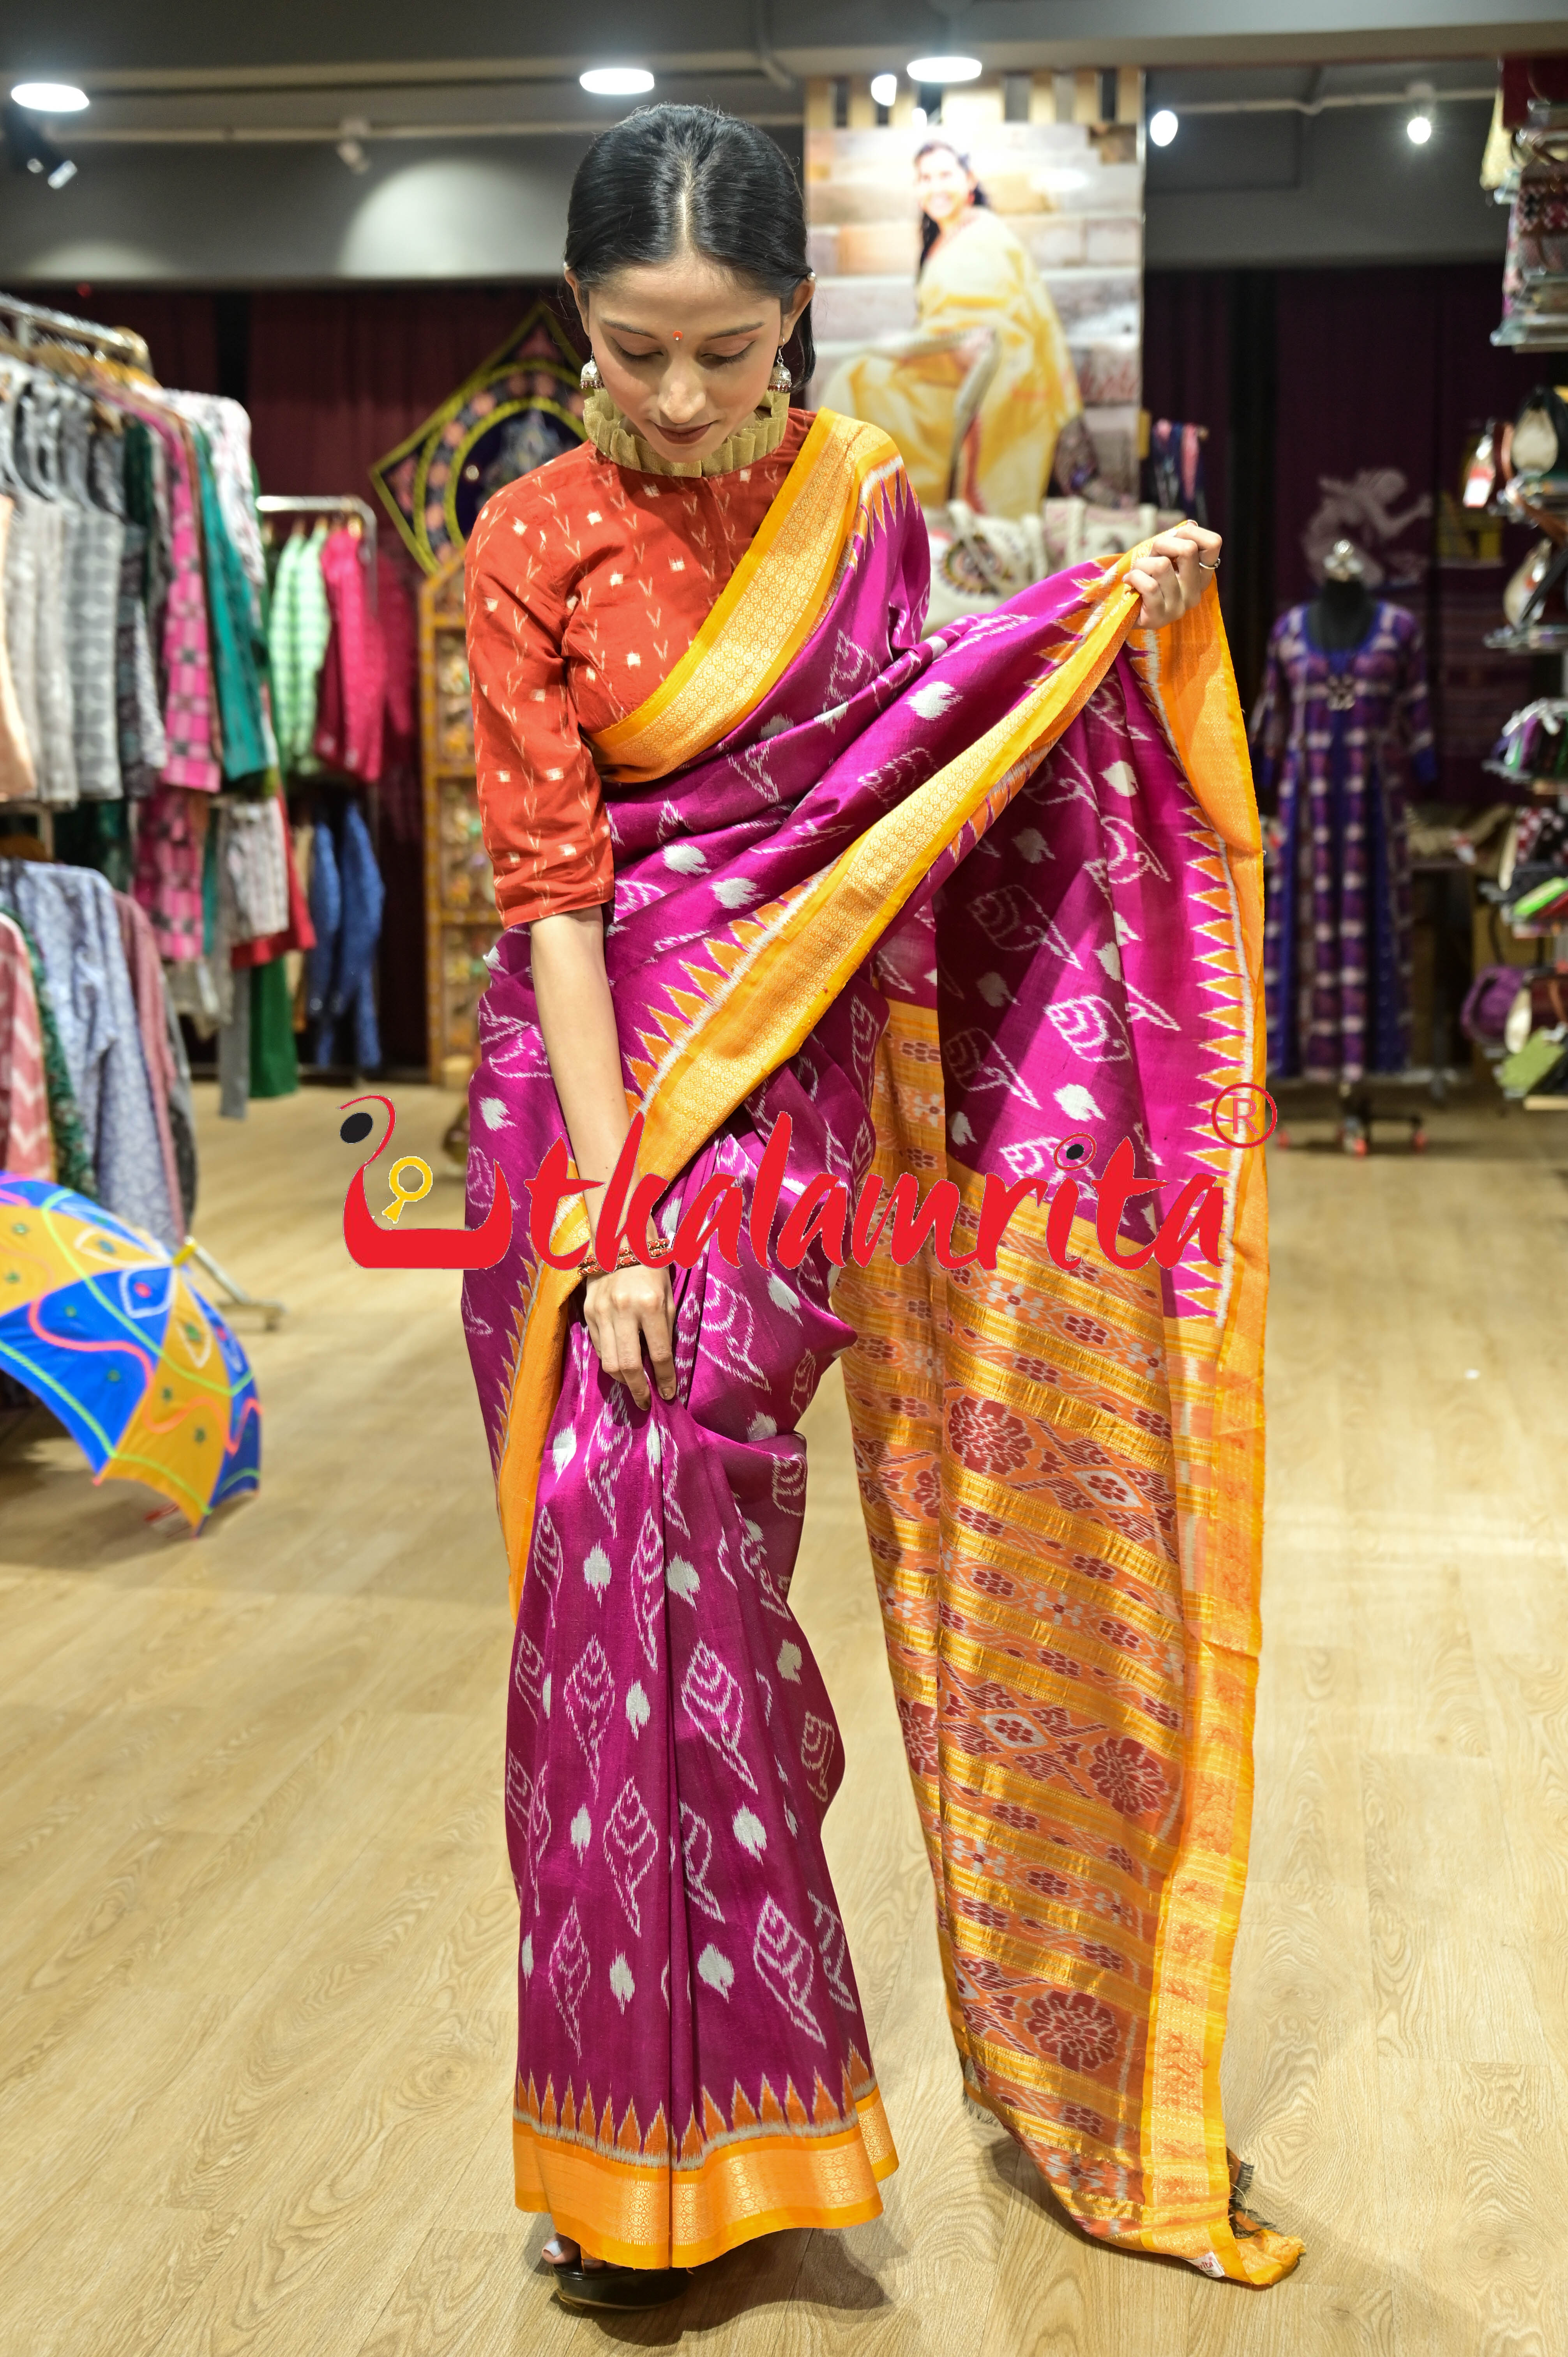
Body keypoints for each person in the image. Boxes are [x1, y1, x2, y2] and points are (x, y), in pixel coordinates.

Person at [463, 103, 1300, 2311]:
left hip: (792, 1073)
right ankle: (642, 2153)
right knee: (607, 1588)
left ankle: (767, 2111)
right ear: (576, 321)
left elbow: (911, 759)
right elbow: (554, 898)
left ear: (795, 325)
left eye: (723, 351)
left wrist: (1110, 617)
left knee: (704, 1554)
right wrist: (611, 1209)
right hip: (586, 1100)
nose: (674, 399)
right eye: (630, 350)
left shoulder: (858, 502)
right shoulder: (525, 537)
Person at [823, 136, 1120, 515]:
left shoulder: (985, 231)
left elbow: (1001, 314)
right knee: (859, 378)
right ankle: (874, 505)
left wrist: (935, 345)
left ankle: (901, 507)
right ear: (917, 190)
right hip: (947, 362)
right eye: (926, 178)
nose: (936, 186)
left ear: (969, 181)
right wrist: (918, 345)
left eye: (945, 175)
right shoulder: (939, 244)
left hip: (992, 367)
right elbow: (944, 318)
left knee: (860, 377)